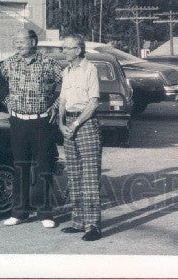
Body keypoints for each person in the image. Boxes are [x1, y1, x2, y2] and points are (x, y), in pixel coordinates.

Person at [0, 28, 64, 228]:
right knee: (20, 166)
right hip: (17, 122)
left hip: (42, 122)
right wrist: (8, 101)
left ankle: (45, 212)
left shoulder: (49, 63)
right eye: (15, 41)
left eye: (21, 41)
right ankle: (19, 212)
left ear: (33, 42)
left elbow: (66, 84)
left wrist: (57, 105)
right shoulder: (8, 64)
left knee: (43, 167)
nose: (17, 44)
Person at [58, 34, 103, 242]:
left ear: (78, 50)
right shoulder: (66, 71)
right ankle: (78, 221)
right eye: (63, 48)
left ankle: (92, 225)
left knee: (90, 177)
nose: (64, 51)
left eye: (67, 48)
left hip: (85, 124)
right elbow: (63, 100)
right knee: (74, 175)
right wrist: (61, 123)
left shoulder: (90, 69)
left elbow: (93, 103)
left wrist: (75, 124)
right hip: (69, 124)